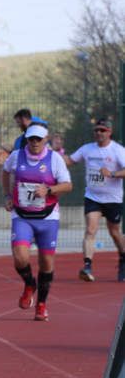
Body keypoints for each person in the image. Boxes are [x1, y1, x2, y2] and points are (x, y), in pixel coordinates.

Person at [2, 123, 72, 320]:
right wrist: (7, 195)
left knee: (46, 263)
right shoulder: (17, 156)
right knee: (20, 257)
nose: (34, 143)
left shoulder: (55, 159)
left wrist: (48, 190)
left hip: (47, 217)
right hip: (22, 215)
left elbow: (67, 185)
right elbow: (5, 171)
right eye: (31, 139)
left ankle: (41, 304)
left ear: (45, 140)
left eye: (38, 139)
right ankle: (29, 283)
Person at [66, 118, 125, 282]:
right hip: (93, 197)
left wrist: (112, 174)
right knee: (91, 230)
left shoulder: (118, 150)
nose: (99, 133)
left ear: (109, 132)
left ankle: (123, 257)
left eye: (102, 130)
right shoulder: (87, 149)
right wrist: (50, 154)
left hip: (113, 198)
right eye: (96, 130)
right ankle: (87, 266)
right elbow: (69, 161)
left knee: (115, 232)